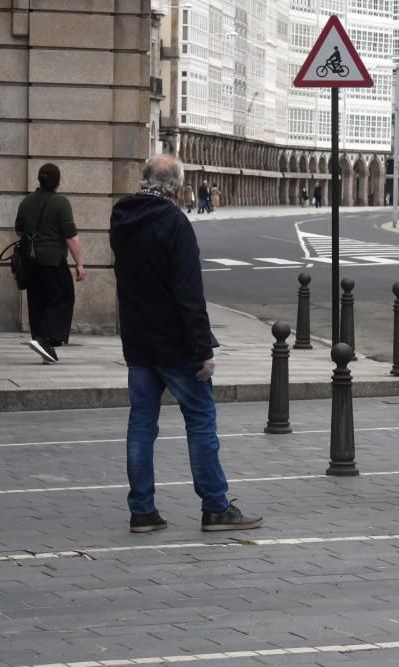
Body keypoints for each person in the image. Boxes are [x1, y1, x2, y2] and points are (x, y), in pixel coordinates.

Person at [109, 154, 263, 534]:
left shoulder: (122, 217)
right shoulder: (174, 222)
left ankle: (142, 511)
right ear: (177, 188)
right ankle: (215, 506)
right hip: (175, 343)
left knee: (142, 424)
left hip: (139, 340)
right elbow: (189, 293)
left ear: (145, 180)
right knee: (200, 419)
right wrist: (202, 349)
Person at [14, 163, 85, 364]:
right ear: (57, 181)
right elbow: (71, 236)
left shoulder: (26, 201)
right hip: (53, 260)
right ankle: (47, 340)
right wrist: (79, 263)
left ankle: (41, 340)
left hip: (31, 261)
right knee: (62, 297)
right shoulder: (61, 203)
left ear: (39, 179)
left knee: (37, 301)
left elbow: (19, 230)